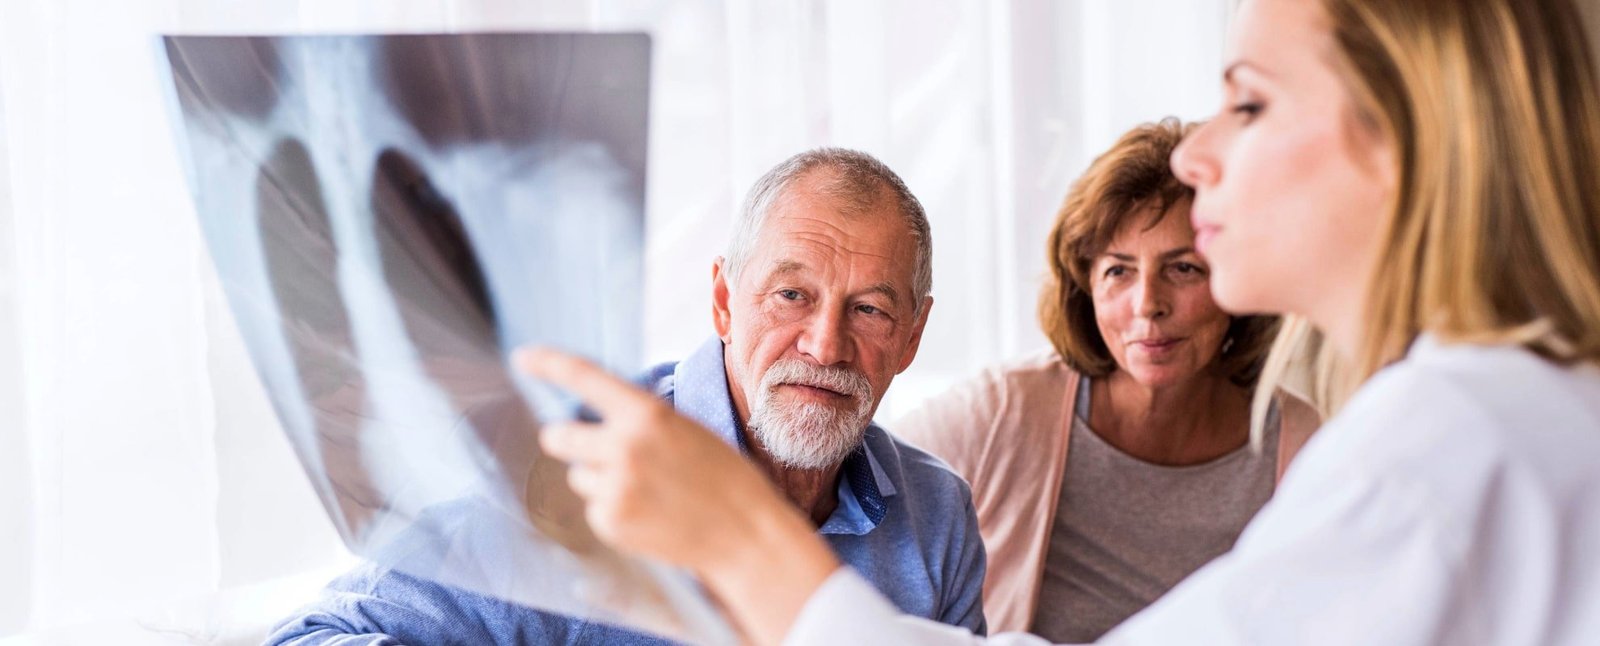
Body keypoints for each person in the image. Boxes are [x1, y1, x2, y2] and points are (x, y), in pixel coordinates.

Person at [518, 0, 1600, 643]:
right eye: (790, 294)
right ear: (722, 299)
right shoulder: (1503, 424)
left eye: (1253, 100)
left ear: (1410, 142)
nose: (1192, 154)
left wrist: (739, 542)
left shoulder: (1448, 448)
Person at [270, 148, 989, 644]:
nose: (825, 345)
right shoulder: (581, 469)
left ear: (912, 336)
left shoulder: (937, 516)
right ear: (723, 302)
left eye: (869, 310)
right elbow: (311, 637)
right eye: (792, 295)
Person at [891, 118, 1318, 640]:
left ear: (1236, 277)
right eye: (1118, 271)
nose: (1148, 306)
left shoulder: (1302, 441)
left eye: (1183, 268)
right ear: (1085, 287)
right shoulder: (1006, 408)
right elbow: (860, 487)